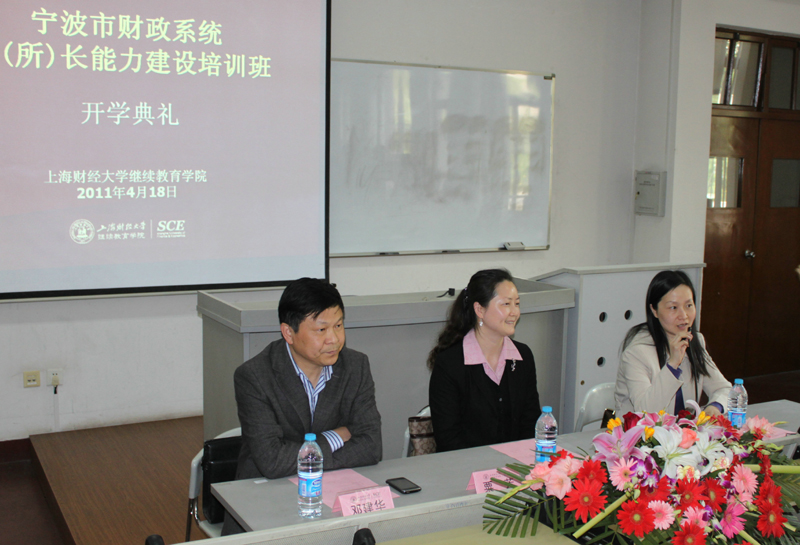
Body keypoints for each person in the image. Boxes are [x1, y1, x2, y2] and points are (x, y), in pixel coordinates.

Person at [222, 278, 382, 534]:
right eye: (321, 330)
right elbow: (272, 462)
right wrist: (335, 437)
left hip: (333, 500)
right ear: (288, 333)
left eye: (339, 325)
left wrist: (300, 453)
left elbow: (372, 446)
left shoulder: (356, 366)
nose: (334, 339)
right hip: (264, 504)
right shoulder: (254, 376)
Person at [427, 269, 541, 453]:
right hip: (466, 466)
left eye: (517, 304)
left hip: (516, 464)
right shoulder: (450, 363)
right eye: (506, 304)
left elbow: (531, 423)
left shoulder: (523, 356)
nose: (514, 312)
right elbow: (448, 439)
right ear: (480, 309)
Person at [614, 270, 732, 416]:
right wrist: (673, 365)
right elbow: (645, 412)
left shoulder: (695, 341)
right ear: (654, 310)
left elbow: (724, 389)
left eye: (689, 305)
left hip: (682, 430)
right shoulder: (636, 353)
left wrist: (715, 406)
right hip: (642, 430)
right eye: (673, 307)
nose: (684, 315)